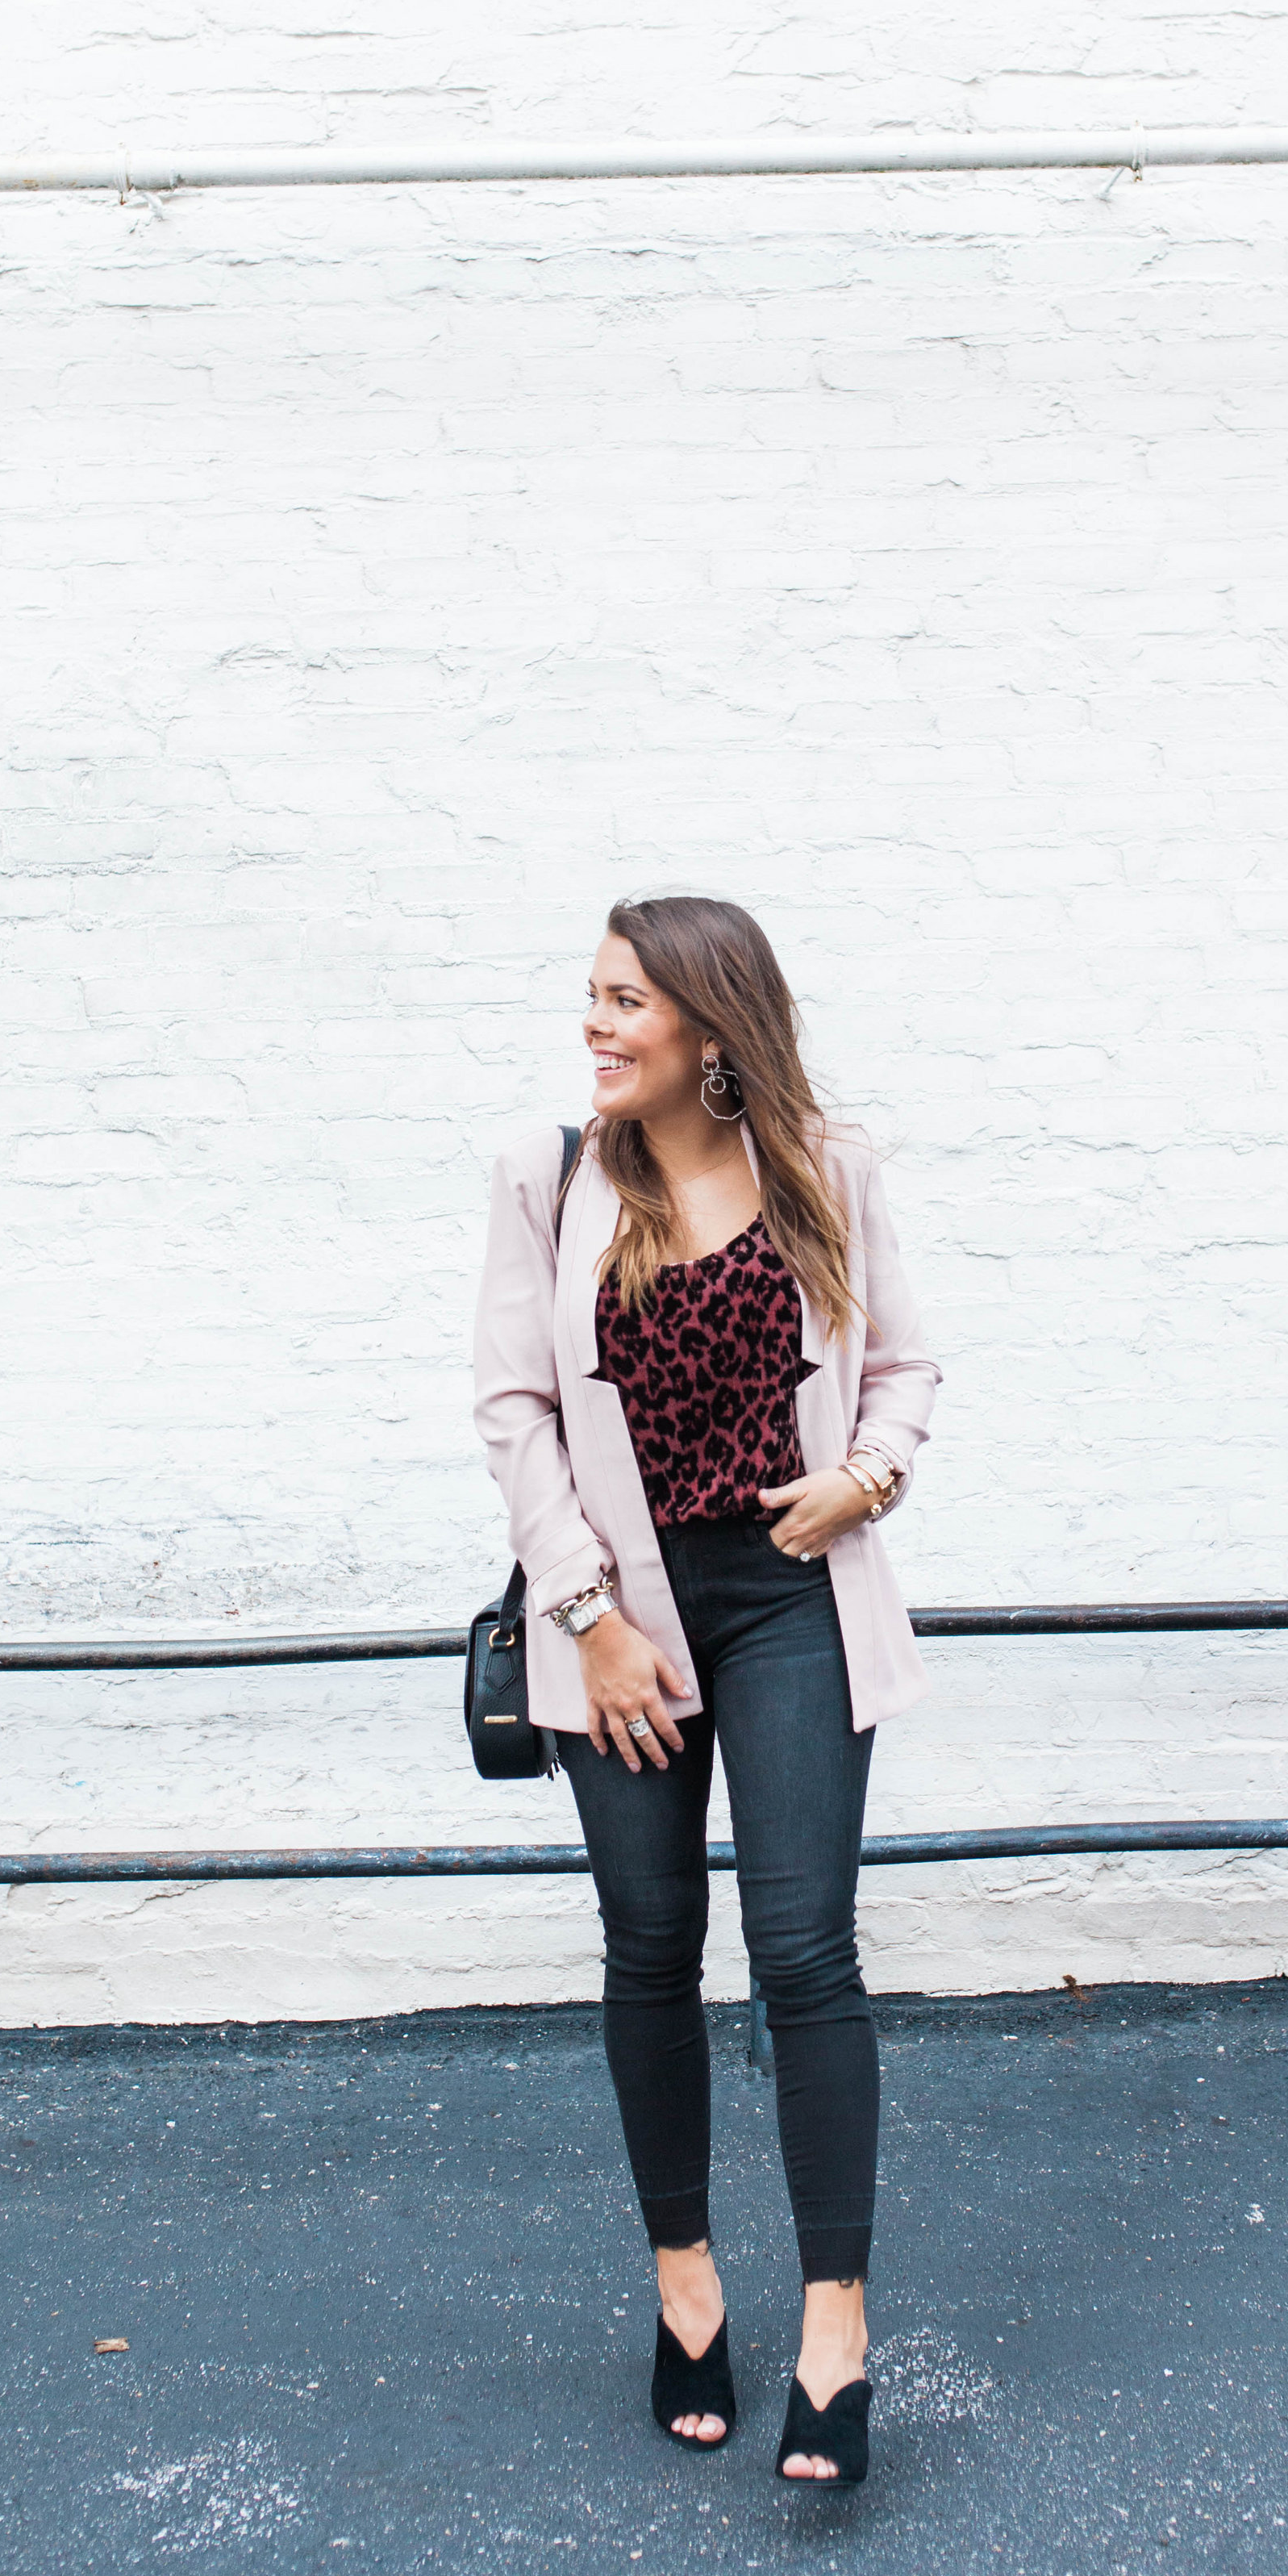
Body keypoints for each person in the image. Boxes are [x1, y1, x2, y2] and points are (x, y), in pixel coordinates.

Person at [473, 895, 940, 2487]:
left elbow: (903, 1365)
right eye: (589, 998)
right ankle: (684, 2279)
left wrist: (860, 1481)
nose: (595, 1027)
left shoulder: (828, 1161)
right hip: (623, 1615)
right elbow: (512, 1405)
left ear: (707, 1024)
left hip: (789, 1593)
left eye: (624, 1002)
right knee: (653, 1940)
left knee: (805, 1949)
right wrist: (587, 1614)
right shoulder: (548, 1177)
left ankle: (833, 2319)